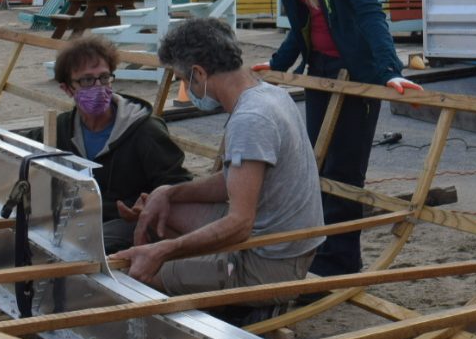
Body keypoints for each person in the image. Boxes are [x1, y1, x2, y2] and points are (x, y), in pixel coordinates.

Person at [251, 0, 421, 278]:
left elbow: (369, 13)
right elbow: (301, 22)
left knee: (345, 170)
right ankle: (321, 252)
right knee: (317, 161)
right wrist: (277, 63)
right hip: (321, 67)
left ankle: (341, 264)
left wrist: (390, 71)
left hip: (357, 69)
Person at [115, 18, 324, 299]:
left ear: (199, 73)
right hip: (284, 241)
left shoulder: (250, 119)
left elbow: (240, 224)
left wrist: (163, 251)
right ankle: (191, 266)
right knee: (162, 209)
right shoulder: (269, 94)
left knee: (138, 276)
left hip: (271, 263)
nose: (185, 87)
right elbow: (233, 181)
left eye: (182, 79)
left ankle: (218, 290)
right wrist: (169, 193)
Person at [35, 36, 193, 253]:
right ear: (67, 88)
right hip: (76, 221)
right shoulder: (61, 129)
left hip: (126, 224)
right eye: (87, 80)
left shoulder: (144, 130)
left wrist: (147, 203)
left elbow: (178, 183)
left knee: (82, 247)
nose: (98, 86)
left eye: (104, 77)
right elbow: (16, 150)